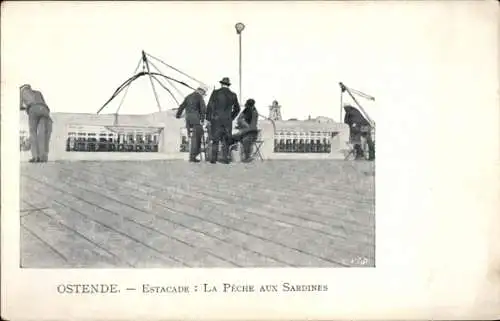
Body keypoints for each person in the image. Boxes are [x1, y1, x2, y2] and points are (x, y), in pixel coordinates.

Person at [206, 77, 240, 164]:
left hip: (216, 120)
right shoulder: (233, 95)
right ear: (228, 85)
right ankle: (225, 159)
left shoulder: (215, 93)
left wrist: (209, 118)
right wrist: (231, 117)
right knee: (225, 140)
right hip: (227, 121)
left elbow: (210, 106)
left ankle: (213, 159)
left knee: (215, 140)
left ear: (221, 84)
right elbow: (237, 109)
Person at [20, 84, 53, 163]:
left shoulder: (21, 93)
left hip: (33, 109)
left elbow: (20, 106)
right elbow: (43, 102)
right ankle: (43, 157)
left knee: (33, 133)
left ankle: (35, 157)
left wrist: (25, 107)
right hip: (44, 109)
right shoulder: (38, 92)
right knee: (43, 134)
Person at [175, 86, 207, 162]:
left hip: (188, 120)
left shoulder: (188, 96)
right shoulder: (199, 97)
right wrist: (202, 119)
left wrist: (178, 115)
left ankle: (192, 156)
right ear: (201, 91)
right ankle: (193, 156)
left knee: (191, 137)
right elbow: (203, 109)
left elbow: (181, 106)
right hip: (196, 120)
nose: (203, 94)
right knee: (198, 137)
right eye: (203, 93)